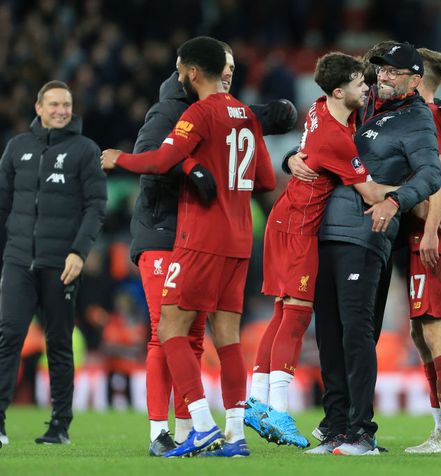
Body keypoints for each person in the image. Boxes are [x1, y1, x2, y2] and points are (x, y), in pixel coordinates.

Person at [101, 36, 276, 458]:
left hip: (201, 238)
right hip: (241, 240)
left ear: (192, 72)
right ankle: (235, 436)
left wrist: (118, 159)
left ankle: (200, 425)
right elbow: (266, 182)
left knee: (169, 331)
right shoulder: (248, 116)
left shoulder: (198, 113)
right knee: (228, 338)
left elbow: (160, 161)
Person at [244, 52, 396, 449]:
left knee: (281, 312)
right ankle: (277, 409)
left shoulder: (317, 110)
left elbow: (304, 150)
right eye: (362, 83)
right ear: (339, 90)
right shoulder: (336, 138)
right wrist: (414, 192)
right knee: (295, 315)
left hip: (286, 219)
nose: (369, 88)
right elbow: (370, 192)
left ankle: (257, 398)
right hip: (298, 226)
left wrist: (291, 158)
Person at [310, 42, 441, 456]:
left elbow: (431, 176)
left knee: (355, 332)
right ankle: (334, 428)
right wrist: (290, 162)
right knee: (328, 335)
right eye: (380, 69)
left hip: (365, 236)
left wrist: (394, 200)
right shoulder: (364, 106)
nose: (382, 76)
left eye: (393, 71)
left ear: (415, 80)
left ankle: (361, 432)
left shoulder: (416, 119)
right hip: (326, 230)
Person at [0, 80, 107, 446]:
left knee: (59, 343)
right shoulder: (17, 148)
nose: (62, 110)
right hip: (17, 262)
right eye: (54, 104)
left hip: (61, 263)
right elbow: (2, 204)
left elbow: (96, 207)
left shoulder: (85, 150)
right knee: (8, 336)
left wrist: (79, 252)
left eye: (66, 104)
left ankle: (59, 426)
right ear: (38, 107)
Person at [403, 47, 441, 454]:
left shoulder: (427, 114)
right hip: (424, 234)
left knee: (435, 329)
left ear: (418, 76)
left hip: (436, 236)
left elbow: (439, 173)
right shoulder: (436, 113)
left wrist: (429, 231)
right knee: (420, 331)